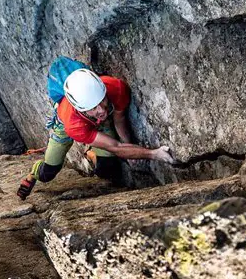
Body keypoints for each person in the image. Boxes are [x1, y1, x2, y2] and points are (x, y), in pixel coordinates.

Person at [17, 69, 174, 199]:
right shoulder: (74, 125)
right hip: (65, 126)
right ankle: (34, 173)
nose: (101, 110)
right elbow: (116, 147)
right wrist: (154, 154)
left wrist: (131, 152)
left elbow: (119, 119)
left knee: (107, 169)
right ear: (80, 108)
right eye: (93, 107)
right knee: (48, 173)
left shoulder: (115, 88)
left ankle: (91, 154)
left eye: (103, 101)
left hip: (96, 124)